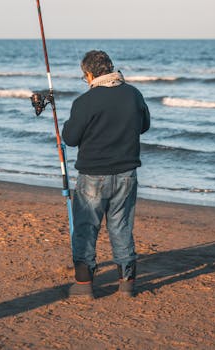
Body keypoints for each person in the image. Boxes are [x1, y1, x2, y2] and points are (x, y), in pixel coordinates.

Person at [62, 50, 150, 299]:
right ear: (111, 68)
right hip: (126, 174)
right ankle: (127, 284)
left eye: (84, 76)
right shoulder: (133, 94)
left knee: (86, 229)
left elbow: (70, 138)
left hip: (93, 175)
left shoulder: (85, 101)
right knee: (121, 227)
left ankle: (83, 285)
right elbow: (145, 126)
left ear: (89, 74)